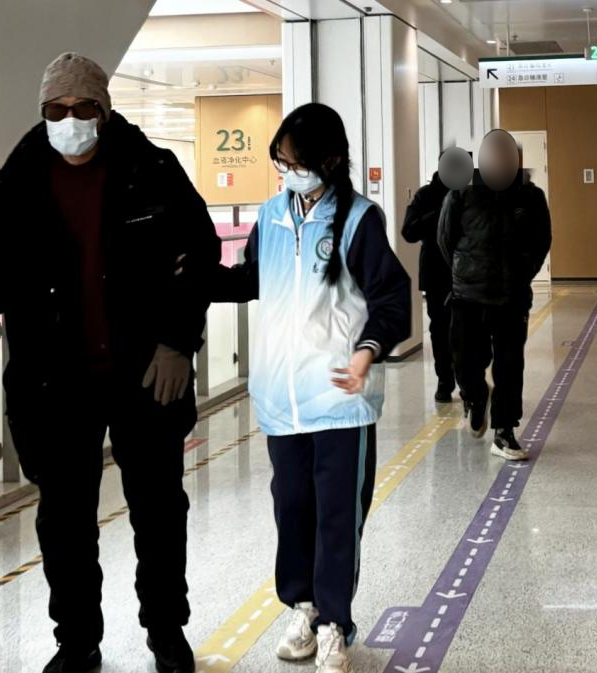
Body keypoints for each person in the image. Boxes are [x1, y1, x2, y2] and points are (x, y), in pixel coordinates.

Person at [0, 53, 221, 673]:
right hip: (53, 382)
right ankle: (77, 641)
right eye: (55, 110)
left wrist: (177, 343)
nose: (69, 120)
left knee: (159, 512)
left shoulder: (153, 171)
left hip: (147, 373)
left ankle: (166, 632)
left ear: (104, 110)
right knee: (64, 522)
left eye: (81, 108)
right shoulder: (13, 185)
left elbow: (199, 256)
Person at [190, 103, 410, 673]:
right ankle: (303, 608)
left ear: (330, 161)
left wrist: (366, 352)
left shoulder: (359, 220)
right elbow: (251, 280)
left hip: (340, 401)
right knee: (292, 510)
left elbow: (392, 298)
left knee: (338, 516)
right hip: (281, 403)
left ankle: (335, 623)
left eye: (294, 163)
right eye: (280, 162)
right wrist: (194, 275)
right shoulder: (270, 216)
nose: (286, 172)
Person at [438, 129, 552, 461]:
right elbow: (446, 239)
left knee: (509, 365)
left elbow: (541, 240)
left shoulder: (530, 196)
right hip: (467, 296)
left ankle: (504, 431)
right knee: (464, 361)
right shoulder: (462, 192)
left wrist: (523, 272)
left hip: (511, 297)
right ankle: (475, 397)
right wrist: (464, 271)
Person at [402, 166, 454, 402]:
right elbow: (409, 232)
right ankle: (445, 381)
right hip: (436, 274)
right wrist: (441, 212)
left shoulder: (469, 194)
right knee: (440, 330)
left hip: (466, 274)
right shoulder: (425, 195)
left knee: (468, 331)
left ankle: (469, 382)